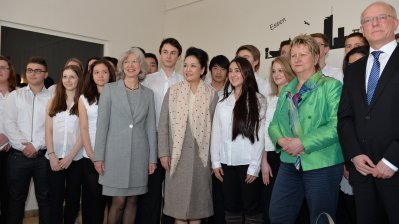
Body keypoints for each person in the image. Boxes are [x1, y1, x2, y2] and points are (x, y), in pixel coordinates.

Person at [268, 34, 343, 224]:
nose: (297, 59)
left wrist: (303, 143)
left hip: (322, 163)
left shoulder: (331, 86)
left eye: (303, 54)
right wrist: (280, 140)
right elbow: (274, 124)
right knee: (278, 215)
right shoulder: (286, 89)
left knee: (321, 218)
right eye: (293, 55)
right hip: (289, 161)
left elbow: (336, 126)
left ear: (316, 57)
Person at [338, 2, 399, 223]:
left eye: (381, 17)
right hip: (362, 172)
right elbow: (345, 117)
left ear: (395, 22)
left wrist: (393, 160)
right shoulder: (354, 69)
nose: (374, 23)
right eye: (367, 20)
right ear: (362, 29)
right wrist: (354, 154)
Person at [94, 47, 157, 224]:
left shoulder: (148, 94)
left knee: (133, 200)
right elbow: (102, 126)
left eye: (135, 61)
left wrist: (152, 158)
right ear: (122, 66)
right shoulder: (110, 89)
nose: (131, 65)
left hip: (139, 155)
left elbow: (150, 127)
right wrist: (98, 157)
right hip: (114, 156)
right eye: (127, 62)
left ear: (141, 66)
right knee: (119, 201)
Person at [158, 47, 218, 224]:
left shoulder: (211, 94)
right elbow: (163, 125)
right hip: (176, 158)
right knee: (178, 210)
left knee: (197, 210)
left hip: (201, 158)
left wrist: (214, 160)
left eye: (193, 65)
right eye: (185, 65)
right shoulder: (173, 91)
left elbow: (215, 129)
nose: (188, 69)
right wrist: (163, 153)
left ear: (202, 69)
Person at [211, 56, 265, 224]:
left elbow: (260, 136)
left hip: (248, 165)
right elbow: (216, 134)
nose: (233, 74)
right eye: (231, 71)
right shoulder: (222, 102)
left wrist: (254, 167)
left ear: (247, 73)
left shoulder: (258, 100)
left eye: (238, 71)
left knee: (251, 208)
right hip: (226, 165)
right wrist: (215, 163)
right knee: (231, 208)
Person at [138, 38, 184, 224]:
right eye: (165, 52)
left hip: (176, 142)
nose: (168, 56)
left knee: (172, 191)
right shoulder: (147, 81)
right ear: (159, 53)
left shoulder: (183, 81)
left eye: (173, 53)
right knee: (152, 190)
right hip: (151, 140)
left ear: (178, 57)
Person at [5, 57, 53, 224]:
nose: (33, 73)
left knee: (45, 199)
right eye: (30, 70)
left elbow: (52, 126)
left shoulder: (53, 98)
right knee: (16, 199)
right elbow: (9, 123)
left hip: (44, 157)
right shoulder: (15, 95)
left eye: (38, 70)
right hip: (18, 156)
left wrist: (37, 145)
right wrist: (24, 145)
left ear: (45, 74)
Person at [45, 65, 84, 224]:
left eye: (72, 77)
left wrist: (70, 157)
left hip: (76, 158)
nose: (68, 80)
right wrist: (52, 155)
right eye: (65, 76)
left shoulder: (84, 102)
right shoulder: (53, 101)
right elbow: (48, 130)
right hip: (54, 159)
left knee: (73, 199)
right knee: (55, 199)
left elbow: (84, 133)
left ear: (78, 79)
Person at [79, 59, 116, 224]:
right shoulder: (84, 98)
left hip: (114, 155)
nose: (101, 75)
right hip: (91, 156)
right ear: (91, 75)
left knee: (113, 201)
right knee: (93, 201)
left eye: (105, 72)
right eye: (96, 72)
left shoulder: (118, 95)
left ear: (110, 74)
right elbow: (84, 128)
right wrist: (92, 154)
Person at [261, 57, 295, 224]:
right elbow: (263, 131)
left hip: (289, 154)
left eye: (280, 70)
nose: (276, 74)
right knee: (270, 206)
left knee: (288, 206)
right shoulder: (269, 98)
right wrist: (264, 161)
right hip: (270, 155)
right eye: (274, 71)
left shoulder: (295, 96)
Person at [0, 56, 17, 223]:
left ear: (10, 71)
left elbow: (23, 124)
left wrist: (9, 139)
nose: (0, 71)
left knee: (9, 193)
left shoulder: (18, 94)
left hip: (11, 151)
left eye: (3, 67)